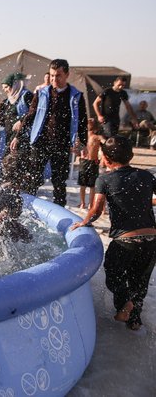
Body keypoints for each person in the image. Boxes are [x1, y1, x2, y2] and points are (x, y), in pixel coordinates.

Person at [71, 136, 156, 331]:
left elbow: (97, 209)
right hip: (152, 238)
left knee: (113, 273)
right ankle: (134, 320)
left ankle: (125, 304)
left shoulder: (105, 179)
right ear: (131, 155)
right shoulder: (146, 175)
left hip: (126, 240)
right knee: (140, 281)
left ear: (107, 160)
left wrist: (83, 222)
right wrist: (143, 201)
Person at [10, 59, 88, 206]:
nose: (54, 79)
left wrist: (83, 143)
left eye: (58, 75)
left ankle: (60, 208)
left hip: (62, 143)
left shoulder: (76, 96)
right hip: (41, 142)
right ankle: (27, 206)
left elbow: (83, 121)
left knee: (59, 180)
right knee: (33, 177)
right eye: (52, 75)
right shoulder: (41, 93)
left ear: (67, 75)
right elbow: (30, 115)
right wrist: (18, 137)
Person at [0, 72, 33, 154]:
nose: (4, 90)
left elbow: (33, 113)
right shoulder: (9, 99)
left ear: (15, 85)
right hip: (11, 137)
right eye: (3, 88)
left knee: (15, 163)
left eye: (6, 87)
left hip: (22, 136)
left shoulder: (27, 95)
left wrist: (21, 121)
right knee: (7, 163)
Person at [78, 119, 105, 209]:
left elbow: (105, 142)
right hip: (85, 162)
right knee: (84, 184)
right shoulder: (84, 137)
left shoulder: (97, 137)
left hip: (93, 162)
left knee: (91, 185)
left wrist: (102, 157)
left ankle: (89, 204)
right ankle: (83, 203)